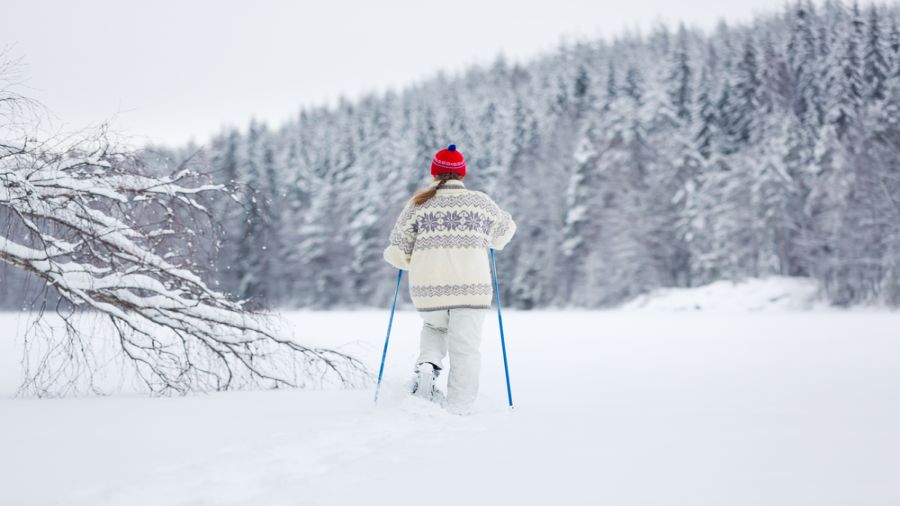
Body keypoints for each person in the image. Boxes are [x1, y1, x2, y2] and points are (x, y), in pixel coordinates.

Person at [383, 144, 516, 415]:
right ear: (461, 175)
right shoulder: (480, 202)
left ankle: (428, 364)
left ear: (435, 172)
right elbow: (505, 233)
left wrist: (408, 259)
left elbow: (396, 251)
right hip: (472, 290)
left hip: (428, 290)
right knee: (465, 349)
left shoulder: (419, 204)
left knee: (435, 328)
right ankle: (459, 408)